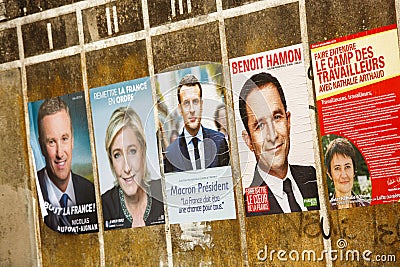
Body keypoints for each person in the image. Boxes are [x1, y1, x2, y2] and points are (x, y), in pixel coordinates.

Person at [239, 72, 319, 215]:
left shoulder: (312, 177)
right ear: (249, 141)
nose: (272, 135)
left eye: (277, 117)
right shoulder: (246, 210)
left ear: (288, 121)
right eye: (260, 126)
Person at [36, 97, 97, 233]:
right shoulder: (32, 193)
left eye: (64, 139)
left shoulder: (91, 192)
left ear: (72, 141)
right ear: (41, 147)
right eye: (51, 141)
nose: (60, 153)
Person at [102, 107, 165, 229]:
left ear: (143, 150)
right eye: (117, 155)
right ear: (111, 160)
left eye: (132, 151)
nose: (126, 167)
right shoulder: (104, 207)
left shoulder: (164, 193)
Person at [163, 74, 230, 173]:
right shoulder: (171, 154)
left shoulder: (219, 141)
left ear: (201, 105)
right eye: (186, 103)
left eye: (195, 102)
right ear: (180, 109)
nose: (192, 110)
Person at [325, 138, 370, 209]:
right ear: (330, 174)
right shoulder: (325, 212)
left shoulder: (369, 207)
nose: (343, 175)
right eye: (337, 168)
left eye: (347, 167)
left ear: (354, 170)